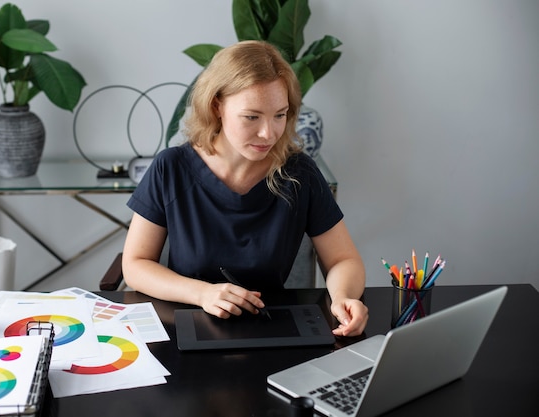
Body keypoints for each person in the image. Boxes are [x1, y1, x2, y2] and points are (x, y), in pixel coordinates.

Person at [122, 40, 368, 337]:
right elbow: (135, 265)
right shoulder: (171, 168)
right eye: (252, 117)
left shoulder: (299, 173)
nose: (268, 133)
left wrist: (343, 297)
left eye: (280, 115)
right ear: (217, 106)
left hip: (270, 331)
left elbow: (343, 259)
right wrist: (202, 294)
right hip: (185, 329)